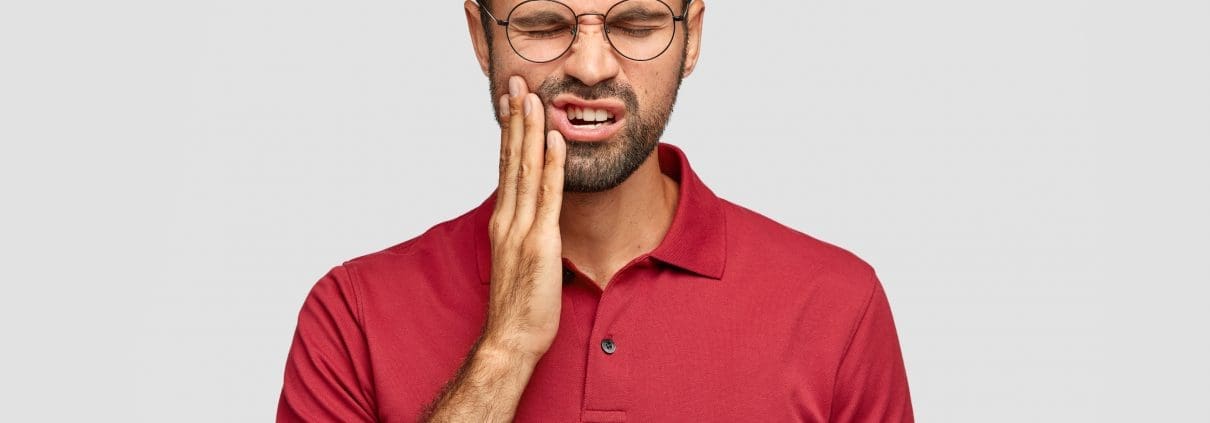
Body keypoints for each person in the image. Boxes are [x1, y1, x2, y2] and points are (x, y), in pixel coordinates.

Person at [276, 0, 913, 421]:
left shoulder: (837, 305)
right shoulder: (352, 313)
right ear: (480, 37)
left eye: (636, 25)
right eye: (543, 23)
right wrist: (504, 352)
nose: (590, 66)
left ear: (691, 38)